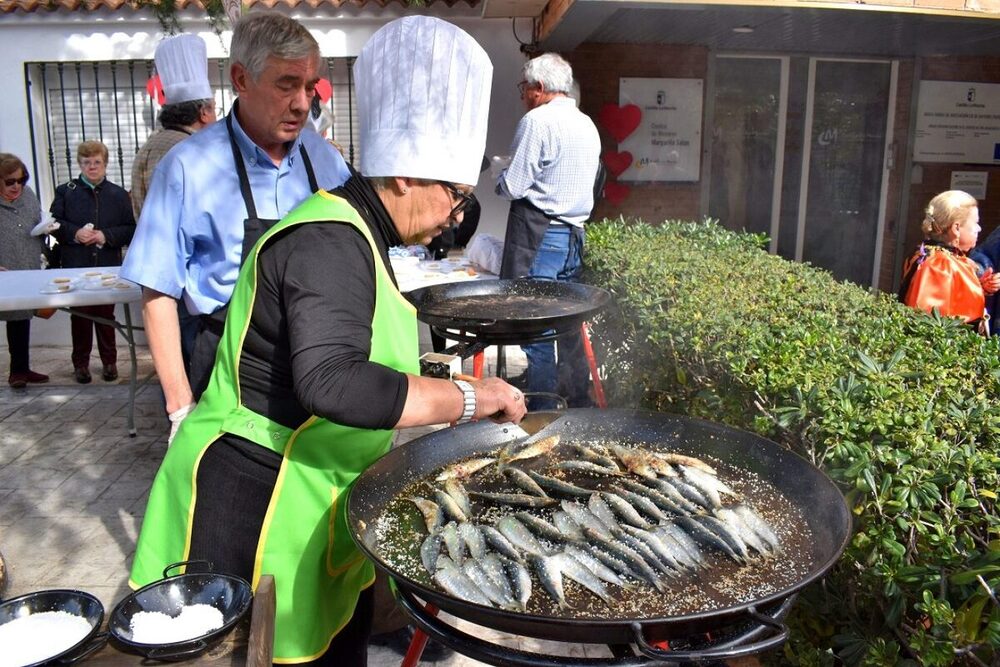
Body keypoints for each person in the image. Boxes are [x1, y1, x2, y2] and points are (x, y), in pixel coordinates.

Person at [128, 16, 523, 665]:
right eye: (453, 196)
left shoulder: (363, 230)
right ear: (403, 177)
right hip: (254, 503)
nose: (455, 217)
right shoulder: (330, 239)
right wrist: (468, 397)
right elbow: (333, 380)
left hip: (313, 485)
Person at [120, 11, 352, 442]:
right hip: (229, 372)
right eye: (286, 85)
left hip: (320, 366)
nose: (303, 103)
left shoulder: (326, 160)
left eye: (308, 86)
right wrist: (179, 407)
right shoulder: (188, 168)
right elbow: (157, 290)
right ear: (241, 80)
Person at [495, 53, 601, 408]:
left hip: (542, 237)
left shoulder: (537, 122)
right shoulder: (586, 123)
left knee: (536, 325)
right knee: (569, 324)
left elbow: (515, 184)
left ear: (539, 88)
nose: (523, 95)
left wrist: (499, 177)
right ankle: (579, 402)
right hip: (574, 236)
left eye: (524, 88)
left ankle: (540, 409)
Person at [131, 33, 216, 370]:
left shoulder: (149, 147)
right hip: (189, 276)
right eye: (212, 107)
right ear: (204, 113)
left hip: (157, 272)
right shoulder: (189, 153)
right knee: (195, 359)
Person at [50, 141, 135, 383]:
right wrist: (75, 232)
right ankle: (81, 364)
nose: (92, 167)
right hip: (77, 264)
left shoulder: (118, 194)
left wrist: (105, 236)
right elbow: (54, 223)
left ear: (105, 164)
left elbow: (130, 228)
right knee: (80, 316)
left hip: (106, 264)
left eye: (97, 162)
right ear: (79, 164)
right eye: (87, 162)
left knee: (106, 315)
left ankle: (110, 362)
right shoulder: (66, 191)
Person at [899, 189, 1000, 333]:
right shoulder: (938, 265)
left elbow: (952, 298)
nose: (979, 228)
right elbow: (926, 320)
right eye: (976, 222)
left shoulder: (937, 256)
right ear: (956, 228)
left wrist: (982, 287)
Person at [0, 154, 49, 389]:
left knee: (20, 319)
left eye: (21, 180)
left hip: (27, 267)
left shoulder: (27, 195)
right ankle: (18, 371)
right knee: (14, 318)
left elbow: (37, 220)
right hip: (4, 271)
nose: (17, 186)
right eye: (10, 182)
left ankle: (20, 369)